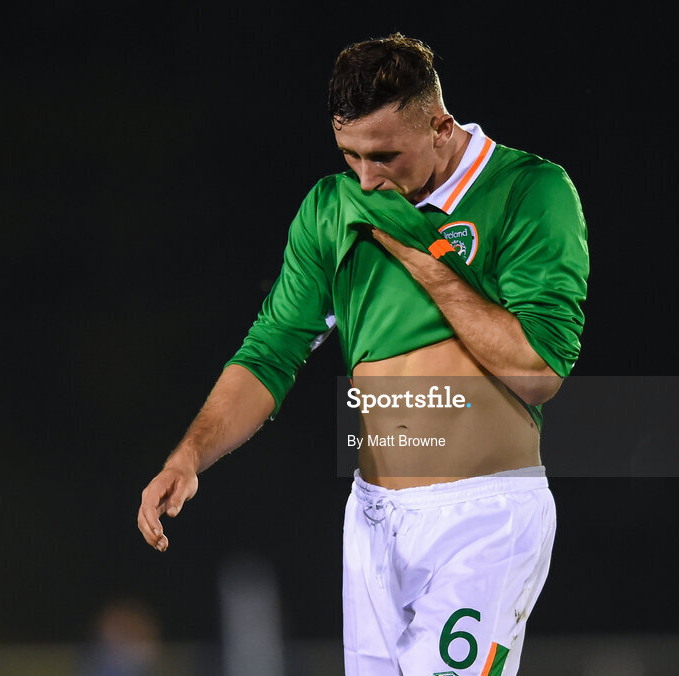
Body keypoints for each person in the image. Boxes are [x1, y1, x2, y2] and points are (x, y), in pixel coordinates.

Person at [137, 33, 589, 675]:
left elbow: (539, 372)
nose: (367, 177)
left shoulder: (528, 189)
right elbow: (270, 351)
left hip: (484, 522)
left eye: (384, 156)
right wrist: (189, 455)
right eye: (350, 155)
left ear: (439, 125)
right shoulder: (330, 208)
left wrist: (422, 258)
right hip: (373, 522)